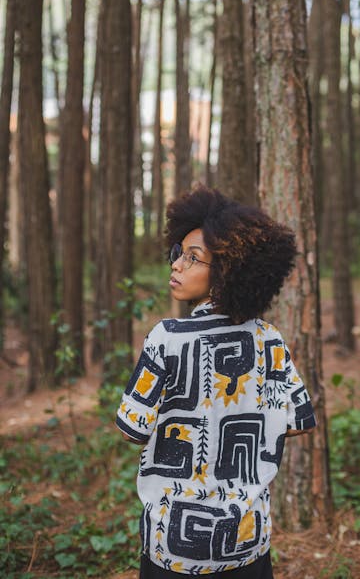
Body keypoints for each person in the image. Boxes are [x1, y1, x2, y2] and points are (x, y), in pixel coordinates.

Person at [116, 186, 316, 579]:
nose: (177, 265)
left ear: (227, 271)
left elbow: (131, 429)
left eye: (194, 259)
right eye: (180, 254)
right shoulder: (269, 339)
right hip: (246, 542)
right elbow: (295, 424)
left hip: (173, 547)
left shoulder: (167, 337)